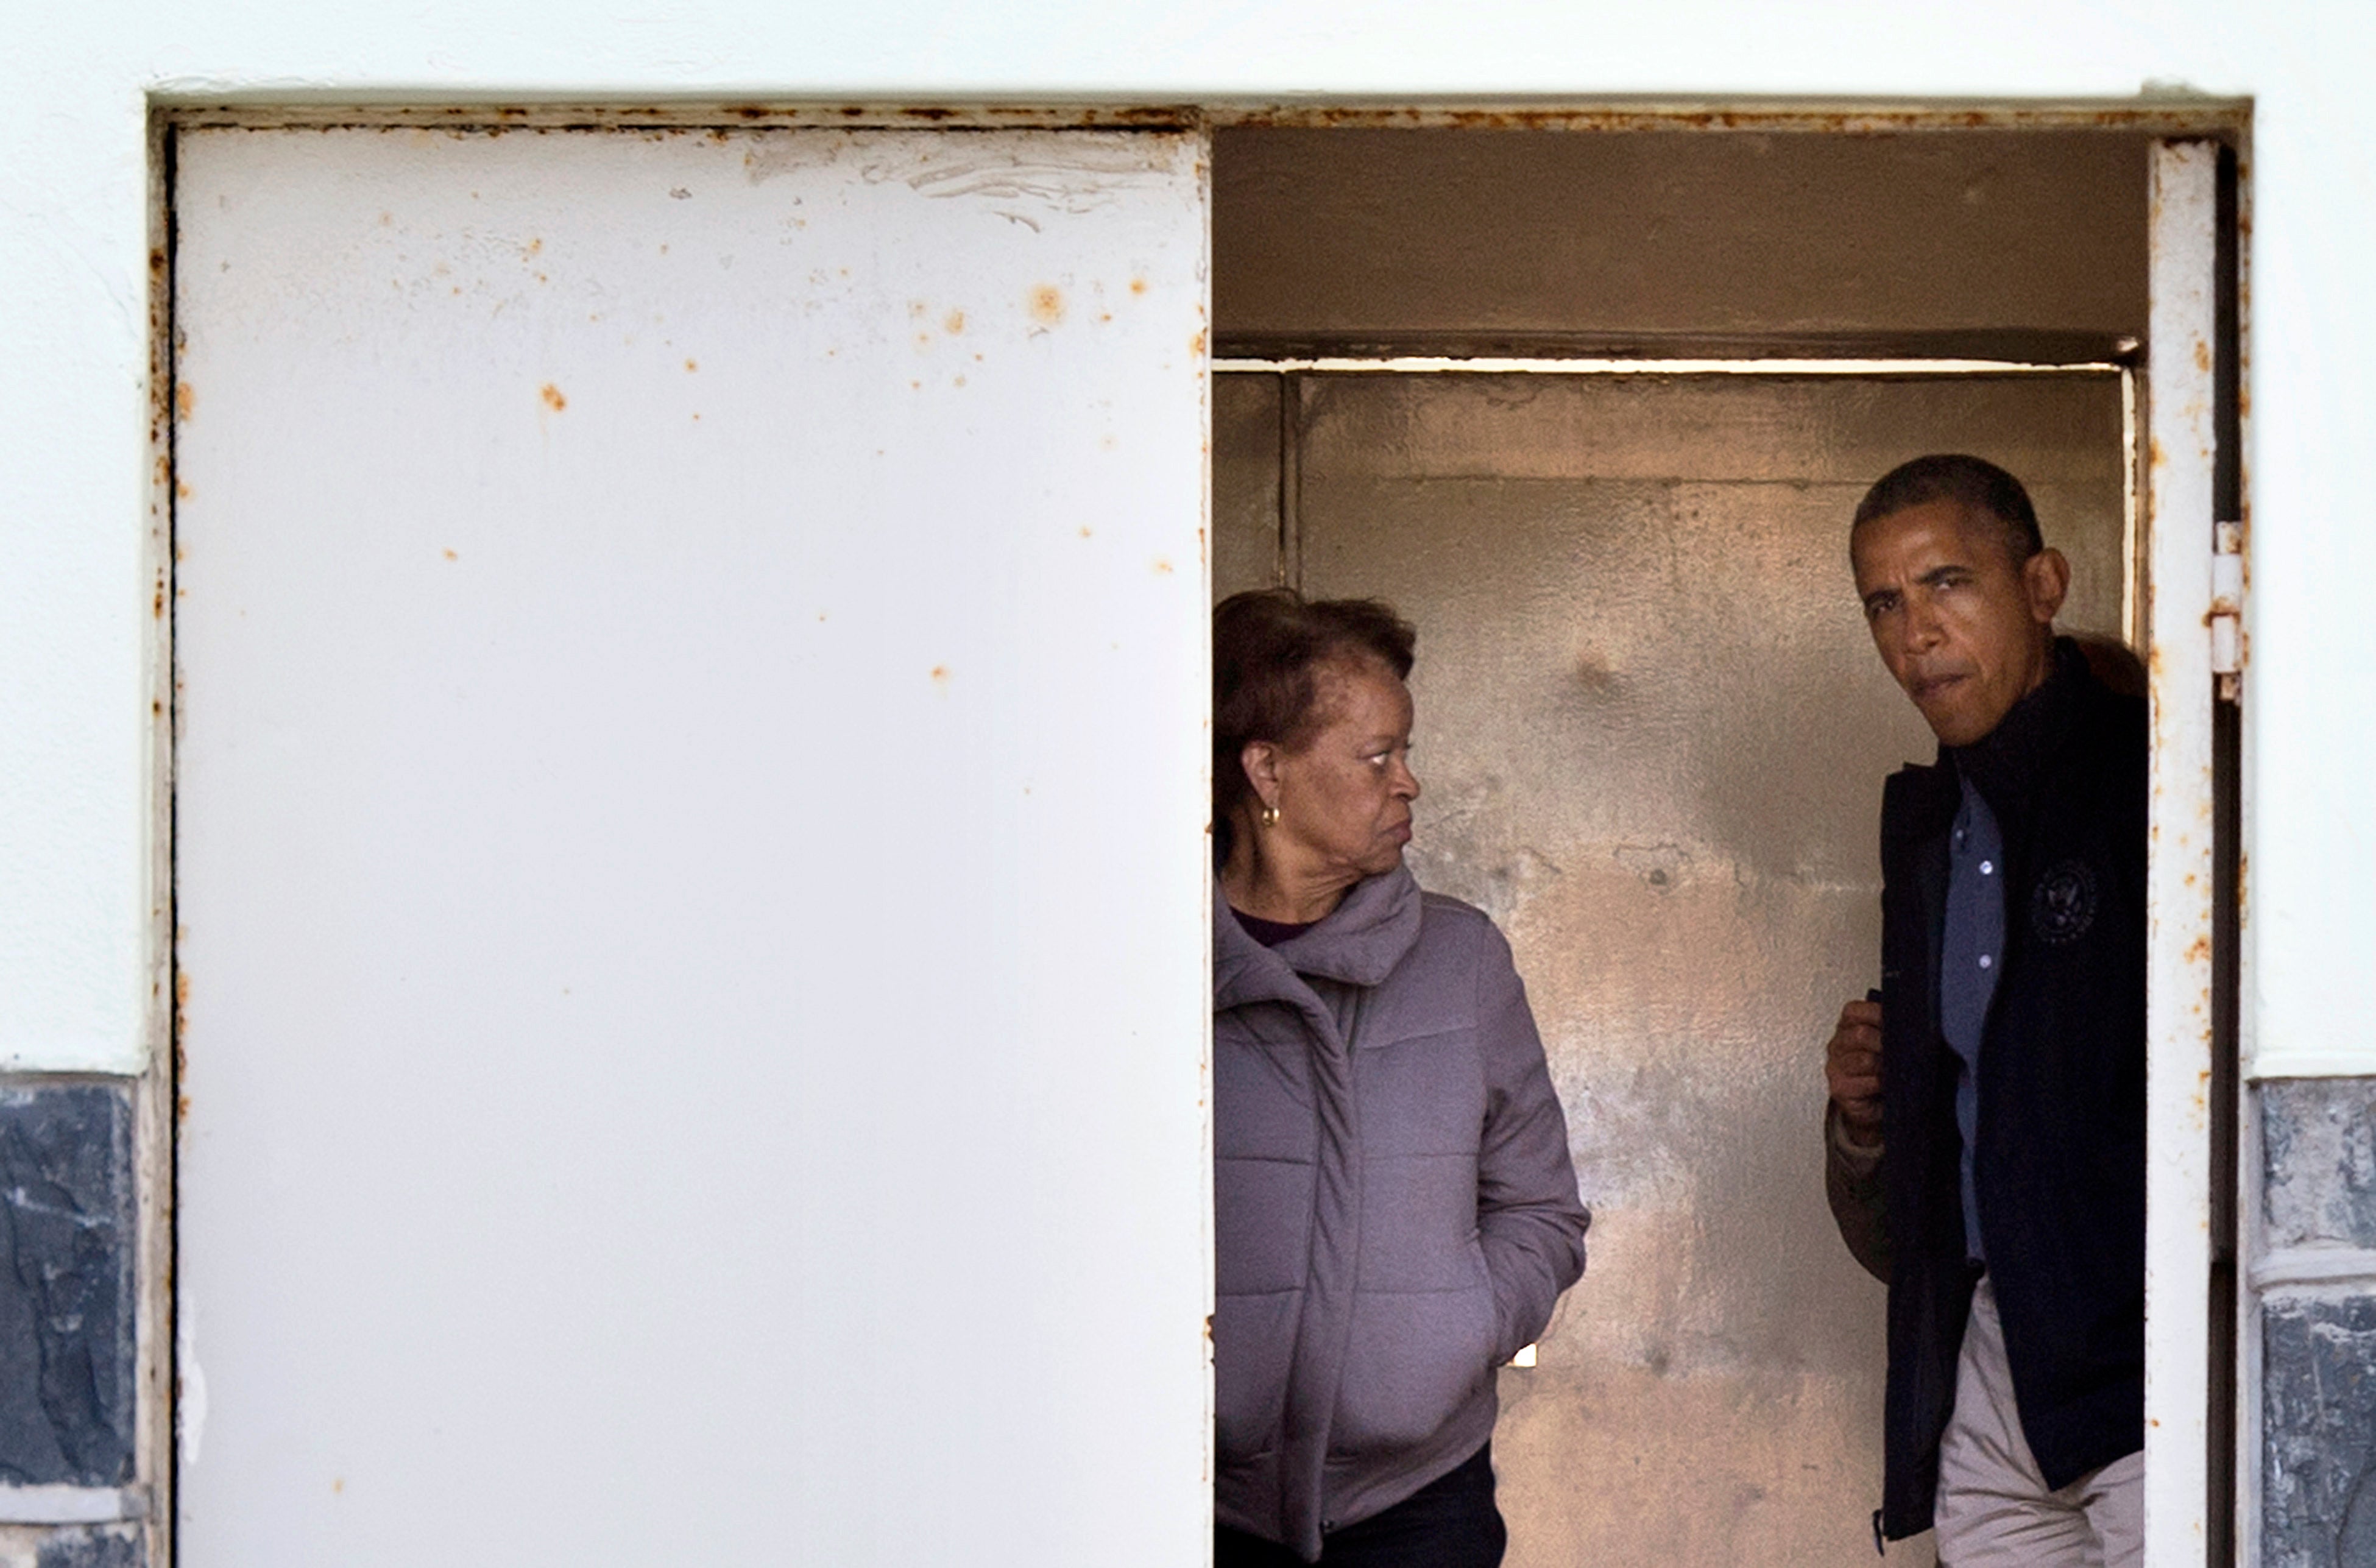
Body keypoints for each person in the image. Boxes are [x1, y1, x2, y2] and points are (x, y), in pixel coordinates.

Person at [1210, 588, 1590, 1568]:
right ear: (1268, 771)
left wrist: (1455, 1328)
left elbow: (1543, 1211)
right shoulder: (1144, 970)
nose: (1409, 782)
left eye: (1405, 752)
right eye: (1378, 757)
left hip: (1422, 1505)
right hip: (1198, 1502)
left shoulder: (1462, 960)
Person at [1822, 454, 2147, 1566]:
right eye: (1883, 601)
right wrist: (1870, 1118)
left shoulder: (2161, 784)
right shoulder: (1930, 825)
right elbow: (1952, 1155)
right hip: (2002, 1352)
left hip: (2155, 1351)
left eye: (1948, 582)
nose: (1914, 632)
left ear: (2044, 584)